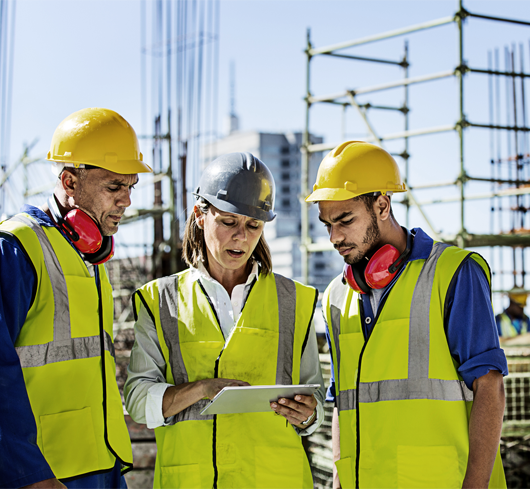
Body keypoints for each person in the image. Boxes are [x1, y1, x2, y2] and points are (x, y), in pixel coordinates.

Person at [306, 141, 508, 489]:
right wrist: (339, 481)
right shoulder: (336, 297)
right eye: (327, 224)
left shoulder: (454, 273)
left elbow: (490, 388)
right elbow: (344, 402)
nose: (335, 237)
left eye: (345, 220)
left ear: (382, 205)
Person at [124, 152, 325, 488]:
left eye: (253, 226)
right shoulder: (161, 301)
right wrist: (203, 389)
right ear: (200, 216)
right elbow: (139, 402)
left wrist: (309, 414)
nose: (242, 237)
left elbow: (313, 399)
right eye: (229, 222)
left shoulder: (295, 301)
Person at [0, 107, 151, 488]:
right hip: (43, 474)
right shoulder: (16, 247)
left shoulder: (89, 256)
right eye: (114, 187)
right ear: (69, 181)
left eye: (131, 187)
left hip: (101, 466)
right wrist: (25, 475)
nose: (126, 201)